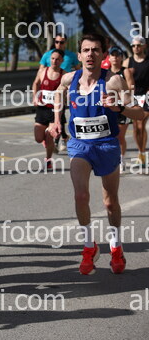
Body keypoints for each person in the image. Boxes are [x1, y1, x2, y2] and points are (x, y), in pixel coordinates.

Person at [49, 33, 144, 276]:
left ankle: (116, 246)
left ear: (103, 55)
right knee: (81, 195)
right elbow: (59, 91)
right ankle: (89, 247)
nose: (90, 54)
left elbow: (139, 113)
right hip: (79, 145)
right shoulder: (70, 78)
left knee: (110, 202)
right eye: (86, 50)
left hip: (106, 145)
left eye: (95, 50)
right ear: (79, 55)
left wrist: (118, 107)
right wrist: (57, 119)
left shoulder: (113, 81)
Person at [39, 33, 80, 152]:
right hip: (49, 90)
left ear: (65, 43)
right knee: (53, 117)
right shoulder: (47, 55)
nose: (59, 44)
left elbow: (79, 71)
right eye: (57, 42)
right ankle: (62, 137)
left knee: (59, 115)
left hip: (64, 89)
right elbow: (41, 71)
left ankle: (57, 140)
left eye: (61, 42)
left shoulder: (71, 56)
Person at [32, 49, 66, 169]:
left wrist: (65, 99)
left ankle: (48, 160)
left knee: (49, 136)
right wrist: (35, 96)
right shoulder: (43, 71)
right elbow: (35, 83)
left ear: (62, 61)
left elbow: (67, 92)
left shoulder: (64, 75)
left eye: (57, 59)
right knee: (38, 138)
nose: (54, 61)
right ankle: (47, 140)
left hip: (55, 111)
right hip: (42, 108)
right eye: (52, 58)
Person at [123, 35, 149, 166]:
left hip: (146, 96)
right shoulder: (127, 62)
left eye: (138, 45)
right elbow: (121, 77)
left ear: (144, 46)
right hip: (133, 96)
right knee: (135, 128)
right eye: (133, 45)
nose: (136, 48)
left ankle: (142, 153)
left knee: (141, 124)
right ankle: (141, 152)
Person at [108, 47, 135, 171]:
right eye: (112, 55)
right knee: (110, 135)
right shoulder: (105, 72)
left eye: (117, 55)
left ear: (121, 58)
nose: (115, 57)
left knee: (119, 136)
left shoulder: (125, 72)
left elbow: (131, 88)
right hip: (109, 107)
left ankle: (121, 159)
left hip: (122, 108)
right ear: (109, 57)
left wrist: (123, 98)